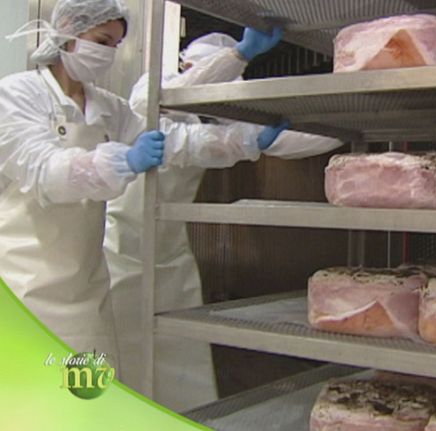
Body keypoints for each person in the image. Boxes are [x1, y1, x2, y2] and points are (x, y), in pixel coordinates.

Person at [0, 0, 307, 378]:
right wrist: (122, 162)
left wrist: (243, 142)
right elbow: (44, 171)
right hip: (24, 283)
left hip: (86, 286)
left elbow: (173, 142)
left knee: (86, 394)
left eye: (114, 45)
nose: (107, 53)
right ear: (67, 33)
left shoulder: (108, 108)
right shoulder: (17, 94)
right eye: (101, 41)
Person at [103, 32, 344, 409]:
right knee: (119, 357)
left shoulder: (215, 119)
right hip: (119, 252)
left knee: (181, 363)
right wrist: (239, 55)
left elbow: (287, 139)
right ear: (189, 66)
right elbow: (179, 131)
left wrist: (348, 124)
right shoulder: (155, 88)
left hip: (170, 257)